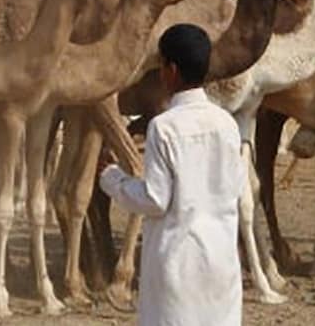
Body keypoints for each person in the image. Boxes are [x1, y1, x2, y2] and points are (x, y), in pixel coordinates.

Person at [99, 23, 245, 326]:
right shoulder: (227, 124)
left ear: (171, 70)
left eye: (161, 65)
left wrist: (113, 179)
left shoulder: (165, 128)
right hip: (221, 263)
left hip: (179, 267)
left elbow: (155, 199)